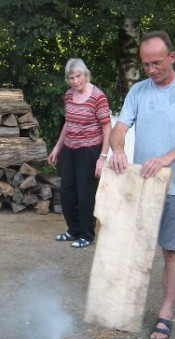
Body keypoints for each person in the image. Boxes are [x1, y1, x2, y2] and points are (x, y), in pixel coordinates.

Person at [108, 31, 175, 339]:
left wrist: (166, 158)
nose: (151, 70)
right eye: (146, 65)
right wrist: (119, 149)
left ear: (172, 57)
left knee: (171, 252)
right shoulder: (138, 91)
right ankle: (126, 308)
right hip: (142, 187)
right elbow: (119, 127)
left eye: (156, 63)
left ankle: (165, 313)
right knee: (135, 249)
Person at [48, 58, 111, 248]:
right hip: (70, 149)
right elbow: (68, 122)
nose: (75, 81)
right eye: (71, 77)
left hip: (90, 151)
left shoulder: (97, 97)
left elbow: (107, 128)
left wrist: (102, 157)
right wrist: (58, 147)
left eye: (79, 76)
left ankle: (87, 234)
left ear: (86, 75)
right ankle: (73, 230)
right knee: (67, 192)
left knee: (85, 195)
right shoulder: (69, 95)